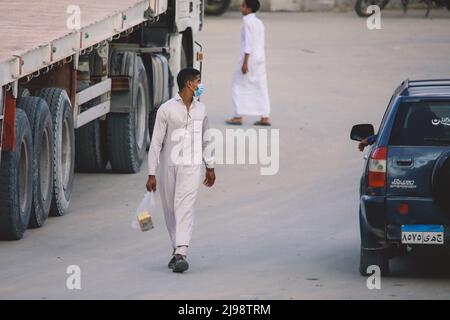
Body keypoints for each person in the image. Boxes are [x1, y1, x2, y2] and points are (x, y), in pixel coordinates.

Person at [146, 68, 216, 273]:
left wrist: (209, 166)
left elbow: (207, 138)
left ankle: (181, 253)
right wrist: (151, 172)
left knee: (184, 205)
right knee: (170, 209)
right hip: (169, 165)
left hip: (191, 166)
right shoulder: (166, 109)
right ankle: (176, 248)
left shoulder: (201, 109)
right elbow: (156, 142)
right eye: (198, 81)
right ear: (188, 84)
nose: (200, 85)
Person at [226, 0, 271, 126]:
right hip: (260, 59)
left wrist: (245, 63)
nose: (241, 8)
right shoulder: (259, 22)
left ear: (249, 9)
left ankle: (238, 115)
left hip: (249, 59)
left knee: (237, 84)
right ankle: (265, 116)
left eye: (243, 6)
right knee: (261, 86)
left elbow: (248, 44)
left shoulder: (247, 22)